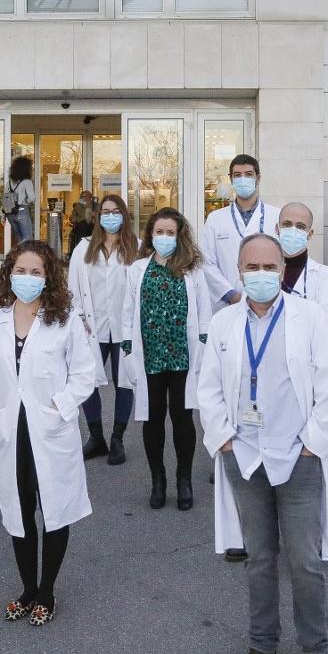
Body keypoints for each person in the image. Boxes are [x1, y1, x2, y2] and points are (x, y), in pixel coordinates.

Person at [198, 233, 328, 654]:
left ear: (282, 270)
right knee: (259, 559)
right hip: (245, 457)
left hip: (299, 457)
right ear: (239, 272)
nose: (260, 274)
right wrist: (223, 440)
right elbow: (208, 389)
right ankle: (263, 643)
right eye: (251, 267)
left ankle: (315, 649)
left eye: (269, 266)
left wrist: (312, 444)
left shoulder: (311, 318)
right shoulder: (224, 323)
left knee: (304, 561)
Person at [0, 240, 95, 626]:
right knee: (19, 511)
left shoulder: (65, 320)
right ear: (9, 273)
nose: (27, 278)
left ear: (49, 277)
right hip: (10, 430)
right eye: (20, 271)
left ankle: (47, 591)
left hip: (50, 428)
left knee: (54, 511)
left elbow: (84, 374)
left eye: (36, 272)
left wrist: (60, 407)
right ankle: (27, 590)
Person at [119, 207, 214, 511]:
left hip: (183, 356)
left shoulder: (193, 269)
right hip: (150, 355)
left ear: (180, 235)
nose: (164, 237)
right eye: (159, 232)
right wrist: (128, 349)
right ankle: (157, 480)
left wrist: (203, 344)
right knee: (153, 418)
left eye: (170, 232)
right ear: (150, 235)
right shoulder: (137, 269)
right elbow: (127, 312)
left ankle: (183, 479)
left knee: (183, 418)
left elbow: (204, 312)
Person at [68, 193, 138, 465]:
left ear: (124, 215)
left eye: (115, 211)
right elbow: (72, 287)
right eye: (105, 212)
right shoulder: (84, 248)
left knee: (125, 383)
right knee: (87, 381)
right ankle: (96, 436)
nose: (111, 216)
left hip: (124, 328)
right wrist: (78, 317)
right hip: (92, 327)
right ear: (98, 216)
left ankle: (117, 438)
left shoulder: (137, 247)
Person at [200, 154, 280, 309]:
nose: (243, 179)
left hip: (268, 302)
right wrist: (231, 295)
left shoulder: (277, 216)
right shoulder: (215, 219)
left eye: (248, 174)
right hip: (227, 304)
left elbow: (283, 260)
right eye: (237, 175)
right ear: (231, 180)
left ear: (258, 178)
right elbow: (206, 262)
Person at [275, 202, 328, 321]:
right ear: (277, 229)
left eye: (300, 227)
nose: (293, 231)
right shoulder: (263, 269)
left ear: (310, 234)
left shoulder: (325, 275)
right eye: (287, 224)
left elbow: (323, 319)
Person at [2, 155, 36, 241]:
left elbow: (4, 199)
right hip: (22, 211)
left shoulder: (8, 183)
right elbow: (32, 198)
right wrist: (25, 201)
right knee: (27, 239)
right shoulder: (27, 182)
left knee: (19, 238)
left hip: (10, 214)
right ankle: (26, 254)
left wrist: (2, 215)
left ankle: (19, 254)